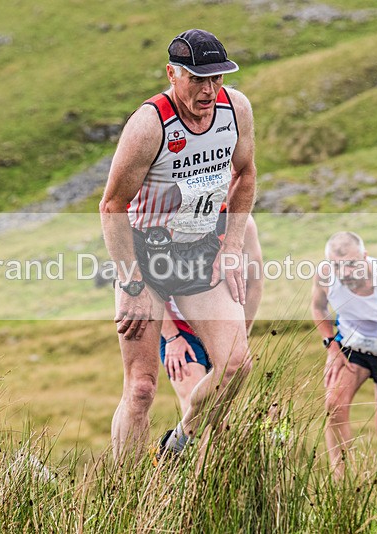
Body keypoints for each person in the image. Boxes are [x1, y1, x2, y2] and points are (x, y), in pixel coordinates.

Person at [99, 28, 257, 460]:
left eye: (216, 78)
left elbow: (245, 176)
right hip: (145, 261)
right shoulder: (150, 125)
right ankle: (125, 497)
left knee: (236, 365)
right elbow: (112, 205)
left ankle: (181, 441)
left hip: (200, 254)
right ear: (172, 74)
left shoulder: (235, 109)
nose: (208, 90)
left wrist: (231, 248)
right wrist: (131, 285)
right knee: (142, 388)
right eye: (196, 79)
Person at [310, 231, 377, 479]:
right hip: (351, 348)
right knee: (334, 406)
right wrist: (332, 347)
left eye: (352, 264)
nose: (344, 272)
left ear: (365, 258)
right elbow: (317, 307)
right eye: (337, 266)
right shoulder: (325, 275)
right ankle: (342, 483)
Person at [161, 213, 263, 416]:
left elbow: (255, 284)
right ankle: (176, 444)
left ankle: (176, 445)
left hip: (223, 326)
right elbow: (150, 286)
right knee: (195, 406)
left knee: (221, 414)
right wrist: (172, 337)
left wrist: (243, 333)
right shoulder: (166, 217)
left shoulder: (243, 223)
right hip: (180, 331)